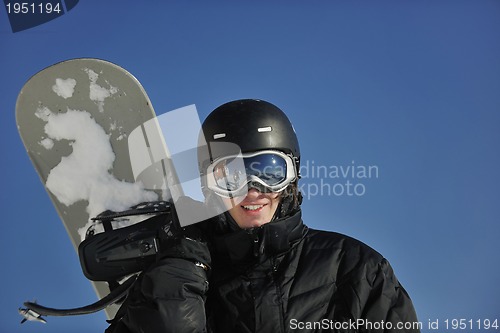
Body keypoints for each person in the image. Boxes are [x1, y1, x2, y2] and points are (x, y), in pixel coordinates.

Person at [106, 99, 420, 332]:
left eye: (269, 171)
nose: (252, 190)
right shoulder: (186, 271)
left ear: (292, 176)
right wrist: (177, 274)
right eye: (230, 175)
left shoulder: (357, 269)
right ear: (208, 185)